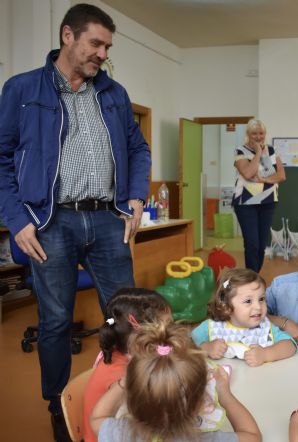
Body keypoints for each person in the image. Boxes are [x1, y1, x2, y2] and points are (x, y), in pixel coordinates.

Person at [0, 4, 150, 439]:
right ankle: (58, 404)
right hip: (51, 221)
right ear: (68, 35)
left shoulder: (114, 93)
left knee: (129, 316)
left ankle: (136, 393)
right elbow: (3, 158)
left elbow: (137, 150)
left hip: (108, 219)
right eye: (95, 43)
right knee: (55, 322)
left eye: (107, 46)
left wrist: (137, 198)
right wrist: (16, 219)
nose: (102, 53)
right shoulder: (23, 89)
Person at [90, 321, 262, 442]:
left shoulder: (122, 434)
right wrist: (225, 395)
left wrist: (124, 383)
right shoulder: (208, 439)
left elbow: (97, 418)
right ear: (201, 403)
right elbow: (252, 436)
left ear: (131, 400)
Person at [82, 288, 172, 442]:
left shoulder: (119, 349)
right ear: (139, 329)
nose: (171, 332)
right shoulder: (122, 376)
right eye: (167, 326)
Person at [191, 268, 296, 366]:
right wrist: (206, 348)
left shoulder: (265, 328)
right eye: (248, 301)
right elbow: (185, 345)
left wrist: (266, 354)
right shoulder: (211, 327)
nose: (258, 307)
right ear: (226, 307)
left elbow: (290, 345)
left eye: (261, 299)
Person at [233, 119, 286, 273]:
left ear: (265, 134)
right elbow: (248, 173)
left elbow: (281, 175)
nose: (258, 136)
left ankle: (255, 276)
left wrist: (265, 179)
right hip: (245, 203)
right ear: (248, 135)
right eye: (254, 133)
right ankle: (252, 279)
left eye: (261, 133)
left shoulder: (272, 150)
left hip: (268, 202)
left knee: (262, 245)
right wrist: (258, 153)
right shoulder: (240, 151)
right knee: (252, 244)